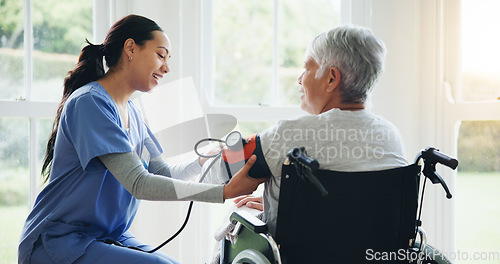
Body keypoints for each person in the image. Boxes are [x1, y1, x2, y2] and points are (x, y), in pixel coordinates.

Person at [18, 14, 265, 264]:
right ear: (131, 48)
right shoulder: (90, 102)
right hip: (59, 241)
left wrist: (202, 162)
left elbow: (163, 174)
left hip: (106, 236)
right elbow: (139, 183)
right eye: (161, 55)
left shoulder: (133, 112)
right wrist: (224, 192)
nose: (166, 68)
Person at [203, 24, 408, 239]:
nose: (299, 80)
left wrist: (218, 154)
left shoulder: (288, 136)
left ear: (331, 79)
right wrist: (278, 207)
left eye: (307, 68)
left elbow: (220, 171)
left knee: (236, 214)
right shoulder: (391, 136)